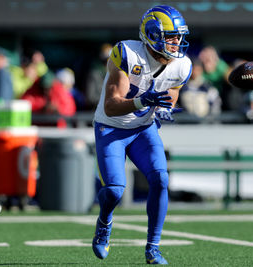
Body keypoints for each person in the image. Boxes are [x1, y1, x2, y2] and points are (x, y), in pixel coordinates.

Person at [91, 5, 191, 265]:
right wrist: (142, 101)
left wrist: (164, 110)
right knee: (114, 191)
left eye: (178, 37)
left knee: (160, 178)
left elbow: (170, 98)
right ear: (153, 34)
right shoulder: (127, 53)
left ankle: (153, 247)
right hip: (111, 127)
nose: (176, 42)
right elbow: (112, 106)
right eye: (170, 36)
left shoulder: (182, 65)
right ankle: (104, 221)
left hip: (143, 129)